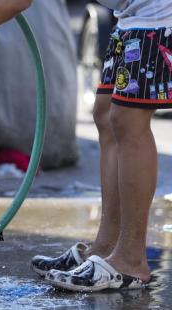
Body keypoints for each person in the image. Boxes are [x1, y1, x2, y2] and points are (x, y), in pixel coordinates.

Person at [31, 0, 172, 291]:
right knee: (105, 115)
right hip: (130, 15)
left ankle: (131, 259)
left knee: (128, 119)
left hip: (158, 13)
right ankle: (106, 247)